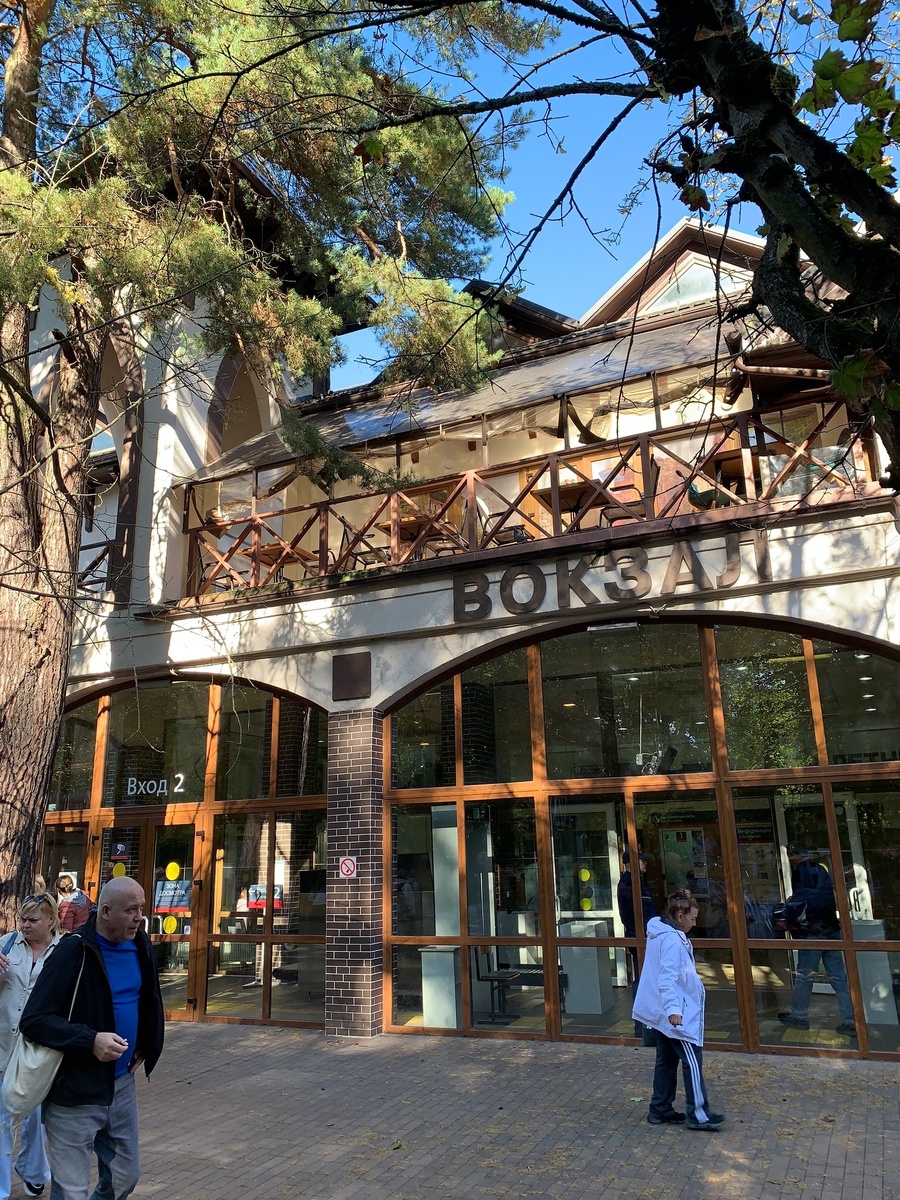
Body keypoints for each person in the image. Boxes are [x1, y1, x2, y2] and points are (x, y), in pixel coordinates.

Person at [20, 877, 164, 1200]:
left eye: (141, 909)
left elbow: (149, 998)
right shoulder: (73, 951)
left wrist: (147, 1042)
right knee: (71, 1191)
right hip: (74, 1091)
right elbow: (34, 1020)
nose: (139, 917)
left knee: (126, 1175)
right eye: (131, 910)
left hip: (120, 1085)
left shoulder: (140, 944)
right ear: (106, 911)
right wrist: (91, 1040)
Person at [633, 889, 725, 1131]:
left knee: (666, 1060)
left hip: (664, 1010)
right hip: (675, 1013)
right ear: (680, 915)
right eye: (692, 919)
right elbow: (667, 978)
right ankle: (699, 1114)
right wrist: (674, 1010)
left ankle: (660, 1108)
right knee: (692, 1059)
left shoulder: (660, 934)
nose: (694, 924)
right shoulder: (672, 940)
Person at [0, 892, 63, 1199]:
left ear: (50, 920)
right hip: (3, 1043)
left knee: (34, 1117)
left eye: (32, 920)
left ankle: (33, 1170)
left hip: (39, 1048)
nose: (25, 925)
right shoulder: (6, 944)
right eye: (22, 919)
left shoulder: (64, 951)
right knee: (2, 1119)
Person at [777, 845, 856, 1036]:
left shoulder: (801, 873)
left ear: (793, 856)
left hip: (813, 932)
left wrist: (789, 903)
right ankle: (851, 1020)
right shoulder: (821, 869)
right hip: (831, 929)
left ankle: (799, 1016)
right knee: (839, 977)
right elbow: (825, 895)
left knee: (805, 976)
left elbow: (806, 901)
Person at [617, 849, 657, 1038]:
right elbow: (637, 913)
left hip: (642, 936)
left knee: (643, 979)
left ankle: (645, 1027)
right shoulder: (629, 883)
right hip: (640, 937)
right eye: (642, 860)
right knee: (643, 981)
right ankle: (642, 1027)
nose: (645, 863)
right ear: (632, 863)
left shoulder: (634, 882)